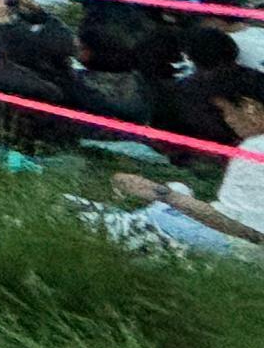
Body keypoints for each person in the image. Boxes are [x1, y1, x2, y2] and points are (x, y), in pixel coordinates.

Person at [103, 65, 264, 257]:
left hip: (245, 253)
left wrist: (162, 194)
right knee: (178, 193)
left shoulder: (256, 148)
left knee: (158, 215)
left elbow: (247, 232)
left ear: (249, 108)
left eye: (225, 111)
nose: (228, 120)